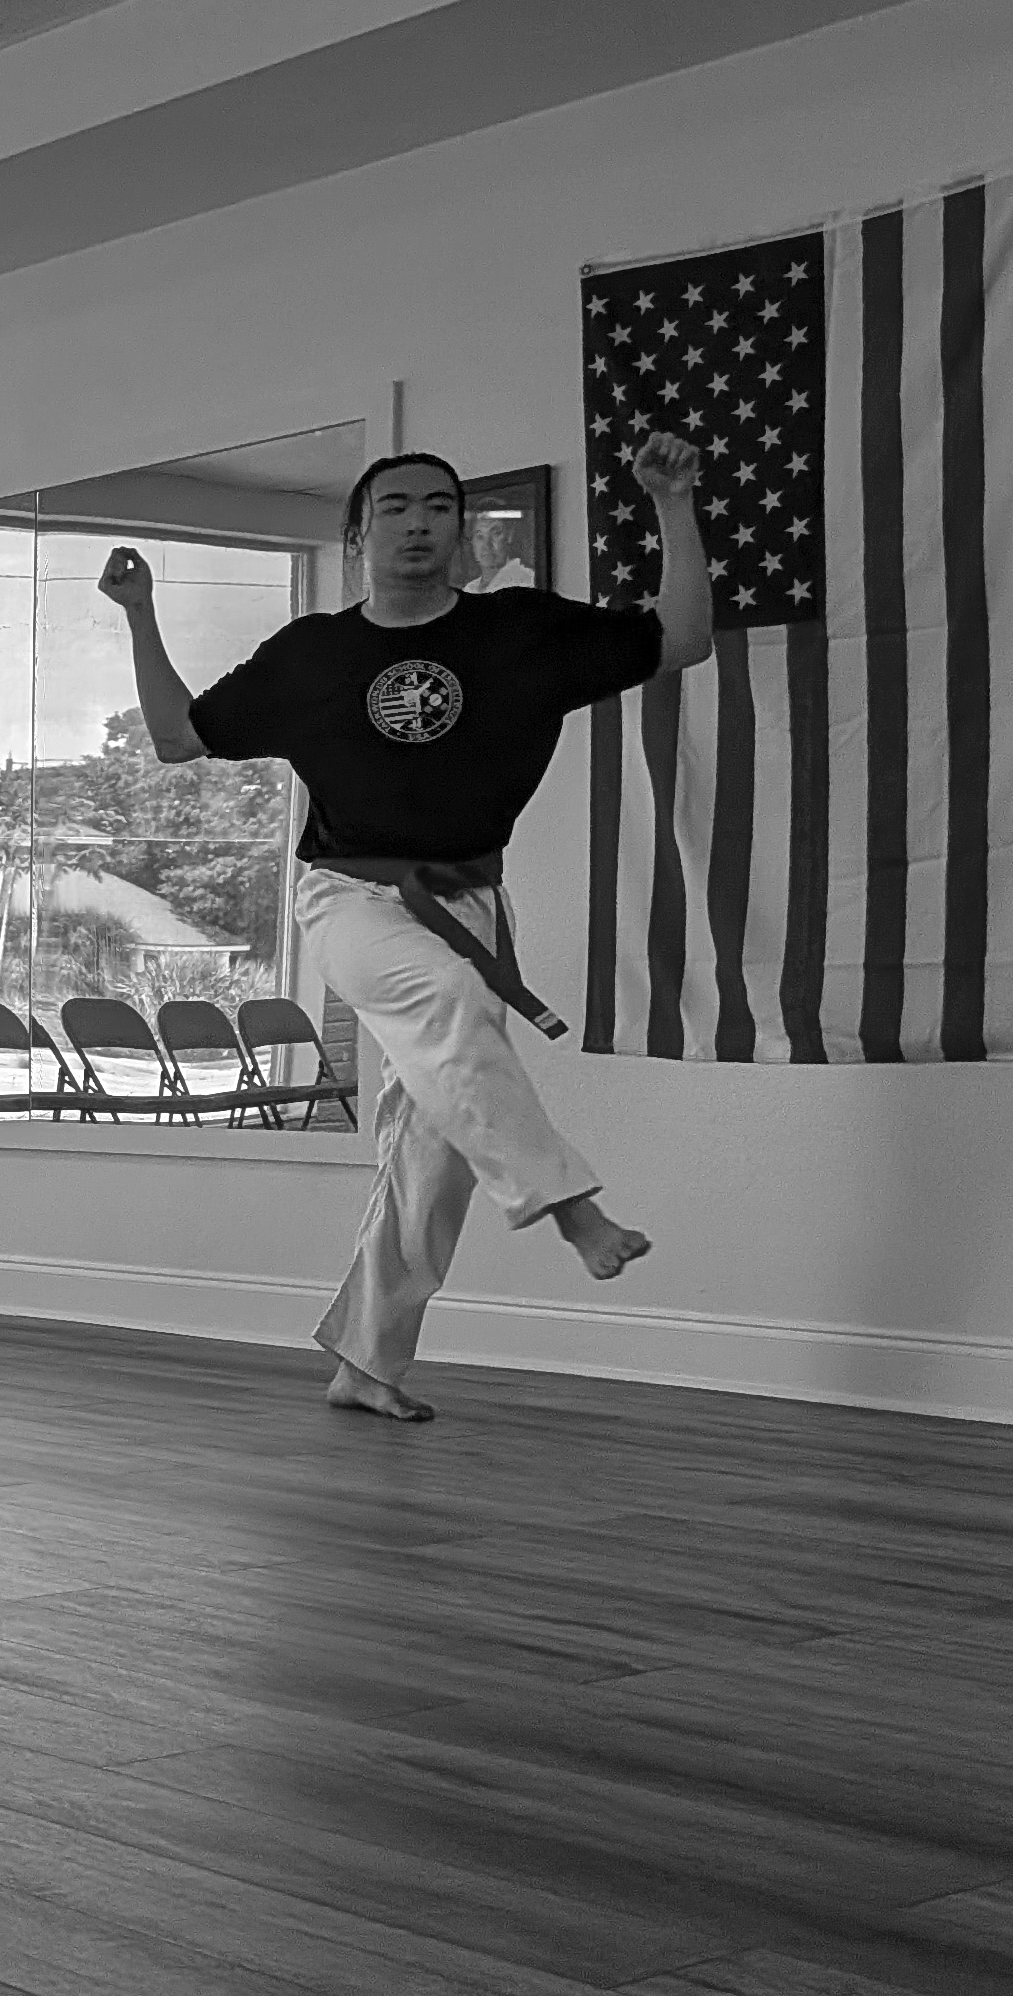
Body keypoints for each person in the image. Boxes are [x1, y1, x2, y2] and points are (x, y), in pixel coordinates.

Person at [100, 436, 713, 1420]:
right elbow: (178, 737)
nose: (418, 523)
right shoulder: (314, 656)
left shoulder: (520, 634)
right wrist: (139, 616)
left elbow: (679, 638)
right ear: (357, 537)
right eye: (394, 508)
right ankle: (570, 1206)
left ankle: (366, 1362)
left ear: (460, 529)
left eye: (436, 506)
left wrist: (672, 507)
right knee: (447, 1005)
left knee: (433, 1144)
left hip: (467, 900)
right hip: (348, 897)